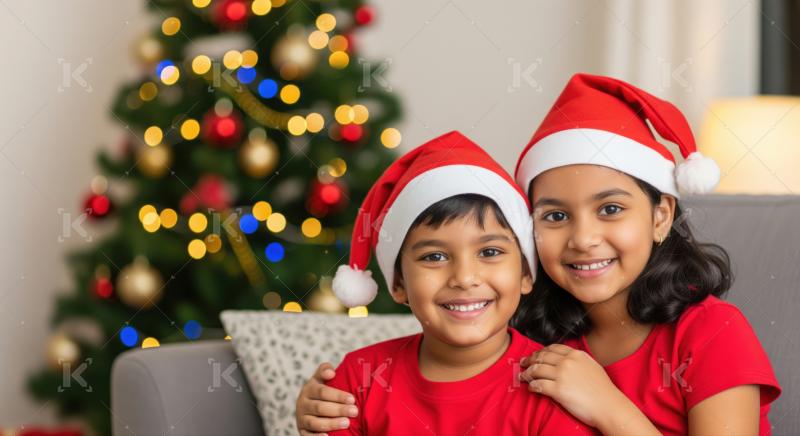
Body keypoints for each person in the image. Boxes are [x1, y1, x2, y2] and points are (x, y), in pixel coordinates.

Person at [296, 74, 781, 436]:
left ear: (660, 216)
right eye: (554, 216)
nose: (583, 239)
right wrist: (321, 408)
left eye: (610, 209)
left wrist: (609, 409)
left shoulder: (711, 334)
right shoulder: (526, 337)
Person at [321, 131, 594, 435]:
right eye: (434, 257)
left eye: (489, 252)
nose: (464, 278)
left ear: (526, 274)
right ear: (398, 283)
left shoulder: (552, 387)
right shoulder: (358, 381)